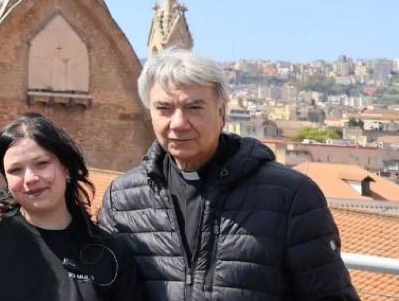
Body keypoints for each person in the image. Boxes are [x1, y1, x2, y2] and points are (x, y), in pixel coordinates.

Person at [98, 46, 360, 300]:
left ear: (221, 112)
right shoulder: (122, 199)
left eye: (194, 108)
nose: (178, 123)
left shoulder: (290, 196)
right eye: (164, 109)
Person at [0, 113, 143, 301]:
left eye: (42, 163)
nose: (30, 179)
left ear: (65, 166)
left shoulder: (109, 253)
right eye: (15, 170)